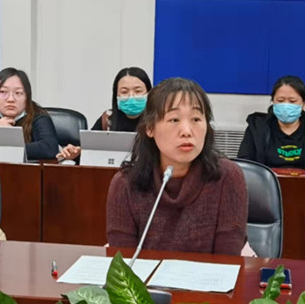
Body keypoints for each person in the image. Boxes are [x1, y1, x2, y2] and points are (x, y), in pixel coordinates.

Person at [106, 78, 248, 255]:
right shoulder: (125, 184)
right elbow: (123, 265)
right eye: (174, 119)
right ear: (150, 128)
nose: (187, 131)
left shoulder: (227, 177)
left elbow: (227, 262)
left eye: (196, 119)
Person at [237, 75, 305, 171]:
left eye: (292, 101)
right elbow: (244, 165)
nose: (286, 105)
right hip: (266, 183)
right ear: (273, 101)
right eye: (280, 101)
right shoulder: (257, 127)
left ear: (303, 103)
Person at [57, 67, 152, 161]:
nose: (131, 96)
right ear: (116, 96)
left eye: (138, 91)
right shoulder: (108, 118)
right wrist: (75, 153)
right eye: (124, 92)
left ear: (149, 93)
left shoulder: (156, 120)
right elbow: (89, 151)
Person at [0, 67, 59, 161]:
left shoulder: (39, 117)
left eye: (18, 93)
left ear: (27, 98)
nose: (10, 99)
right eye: (3, 92)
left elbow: (49, 148)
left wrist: (3, 148)